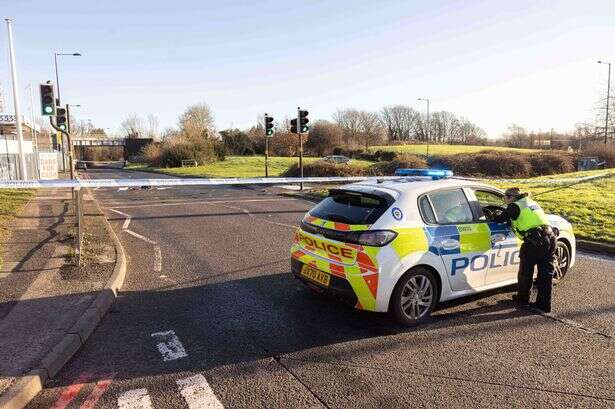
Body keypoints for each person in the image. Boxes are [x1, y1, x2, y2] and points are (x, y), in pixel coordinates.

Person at [491, 187, 556, 313]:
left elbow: (499, 219)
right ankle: (544, 305)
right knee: (545, 275)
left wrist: (494, 215)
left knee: (525, 273)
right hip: (551, 237)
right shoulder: (530, 202)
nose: (503, 199)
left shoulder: (514, 206)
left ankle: (522, 299)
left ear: (511, 197)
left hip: (534, 241)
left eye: (504, 197)